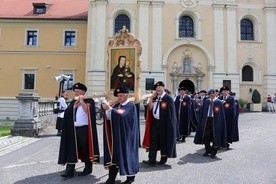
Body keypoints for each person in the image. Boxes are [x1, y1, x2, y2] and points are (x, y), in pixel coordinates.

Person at [58, 82, 100, 178]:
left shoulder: (89, 100)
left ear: (83, 91)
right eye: (75, 91)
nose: (76, 93)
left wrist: (81, 102)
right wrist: (74, 107)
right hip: (73, 128)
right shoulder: (73, 101)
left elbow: (88, 111)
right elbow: (68, 113)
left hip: (84, 128)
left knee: (85, 148)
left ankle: (88, 168)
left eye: (78, 91)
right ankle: (69, 171)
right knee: (71, 148)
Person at [102, 86, 139, 184]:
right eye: (118, 95)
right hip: (116, 136)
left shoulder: (131, 106)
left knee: (127, 155)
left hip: (127, 136)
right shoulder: (116, 105)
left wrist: (110, 109)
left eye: (121, 95)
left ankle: (130, 176)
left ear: (127, 95)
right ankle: (111, 178)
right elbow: (110, 118)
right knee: (114, 156)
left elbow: (123, 115)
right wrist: (107, 110)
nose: (119, 97)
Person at [142, 81, 177, 166]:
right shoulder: (155, 98)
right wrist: (151, 98)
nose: (158, 90)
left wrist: (170, 126)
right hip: (155, 122)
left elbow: (171, 114)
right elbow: (149, 107)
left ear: (163, 88)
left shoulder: (168, 98)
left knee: (164, 141)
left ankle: (163, 159)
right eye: (157, 89)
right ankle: (151, 160)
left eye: (160, 88)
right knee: (153, 141)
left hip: (165, 123)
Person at [194, 89, 227, 159]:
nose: (211, 96)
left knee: (215, 136)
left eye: (212, 94)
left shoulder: (219, 102)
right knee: (206, 136)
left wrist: (221, 122)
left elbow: (221, 114)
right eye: (210, 94)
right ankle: (207, 149)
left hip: (215, 120)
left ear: (215, 94)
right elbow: (202, 112)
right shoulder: (207, 101)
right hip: (207, 120)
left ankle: (214, 152)